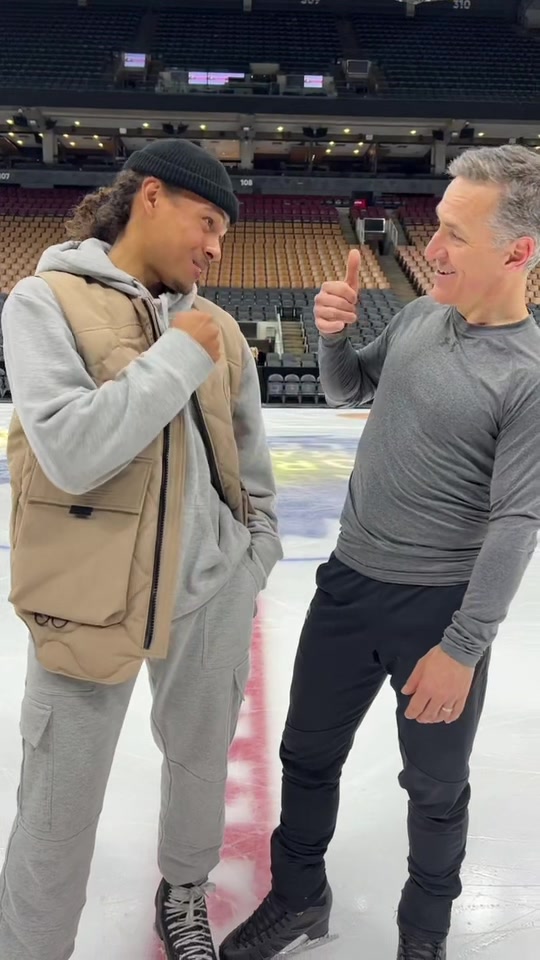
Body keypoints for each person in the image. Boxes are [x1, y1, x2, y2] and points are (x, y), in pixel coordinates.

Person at [219, 143, 540, 960]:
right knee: (306, 755)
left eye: (456, 234)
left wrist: (462, 650)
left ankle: (423, 935)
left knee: (434, 788)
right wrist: (331, 337)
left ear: (518, 252)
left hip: (436, 611)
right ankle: (299, 900)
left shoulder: (528, 375)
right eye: (437, 226)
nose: (431, 248)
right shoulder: (421, 315)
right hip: (348, 583)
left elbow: (516, 522)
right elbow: (350, 389)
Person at [0, 139, 282, 960]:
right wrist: (178, 354)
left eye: (224, 234)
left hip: (211, 593)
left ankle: (184, 892)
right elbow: (71, 449)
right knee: (56, 804)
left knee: (199, 769)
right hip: (88, 599)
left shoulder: (219, 328)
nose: (215, 247)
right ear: (150, 197)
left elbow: (251, 464)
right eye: (207, 223)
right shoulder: (44, 300)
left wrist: (253, 557)